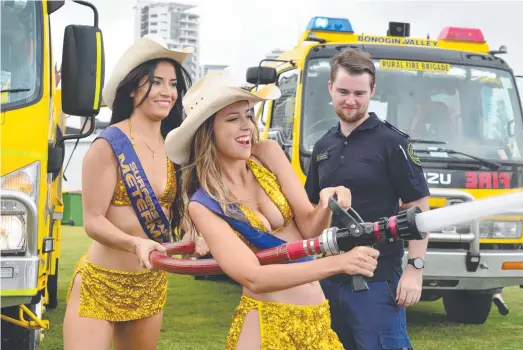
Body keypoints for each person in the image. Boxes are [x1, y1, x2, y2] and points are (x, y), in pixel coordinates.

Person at [164, 71, 380, 349]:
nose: (246, 126)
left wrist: (326, 204)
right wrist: (339, 263)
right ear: (207, 130)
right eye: (233, 118)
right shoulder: (203, 205)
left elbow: (309, 227)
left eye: (248, 115)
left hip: (317, 321)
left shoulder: (267, 154)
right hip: (266, 327)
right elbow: (253, 277)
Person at [63, 35, 205, 350]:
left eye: (172, 84)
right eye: (155, 82)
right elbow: (93, 220)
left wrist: (196, 232)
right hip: (102, 282)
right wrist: (135, 242)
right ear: (132, 88)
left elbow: (179, 208)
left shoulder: (175, 147)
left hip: (150, 283)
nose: (167, 92)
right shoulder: (109, 144)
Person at [304, 48, 431, 350]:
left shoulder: (393, 142)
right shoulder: (323, 145)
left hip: (376, 283)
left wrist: (415, 269)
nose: (351, 100)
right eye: (343, 91)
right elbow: (310, 209)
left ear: (372, 91)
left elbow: (419, 209)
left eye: (360, 93)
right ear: (330, 88)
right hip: (328, 278)